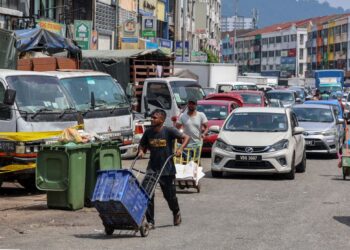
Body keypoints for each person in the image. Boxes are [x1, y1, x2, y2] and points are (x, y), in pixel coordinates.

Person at [138, 109, 190, 229]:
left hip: (167, 169)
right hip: (152, 168)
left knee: (169, 196)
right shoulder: (148, 132)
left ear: (161, 119)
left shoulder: (169, 131)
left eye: (154, 117)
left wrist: (180, 148)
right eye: (151, 117)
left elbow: (186, 137)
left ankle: (176, 211)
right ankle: (151, 221)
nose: (152, 119)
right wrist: (141, 150)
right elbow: (142, 144)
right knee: (147, 193)